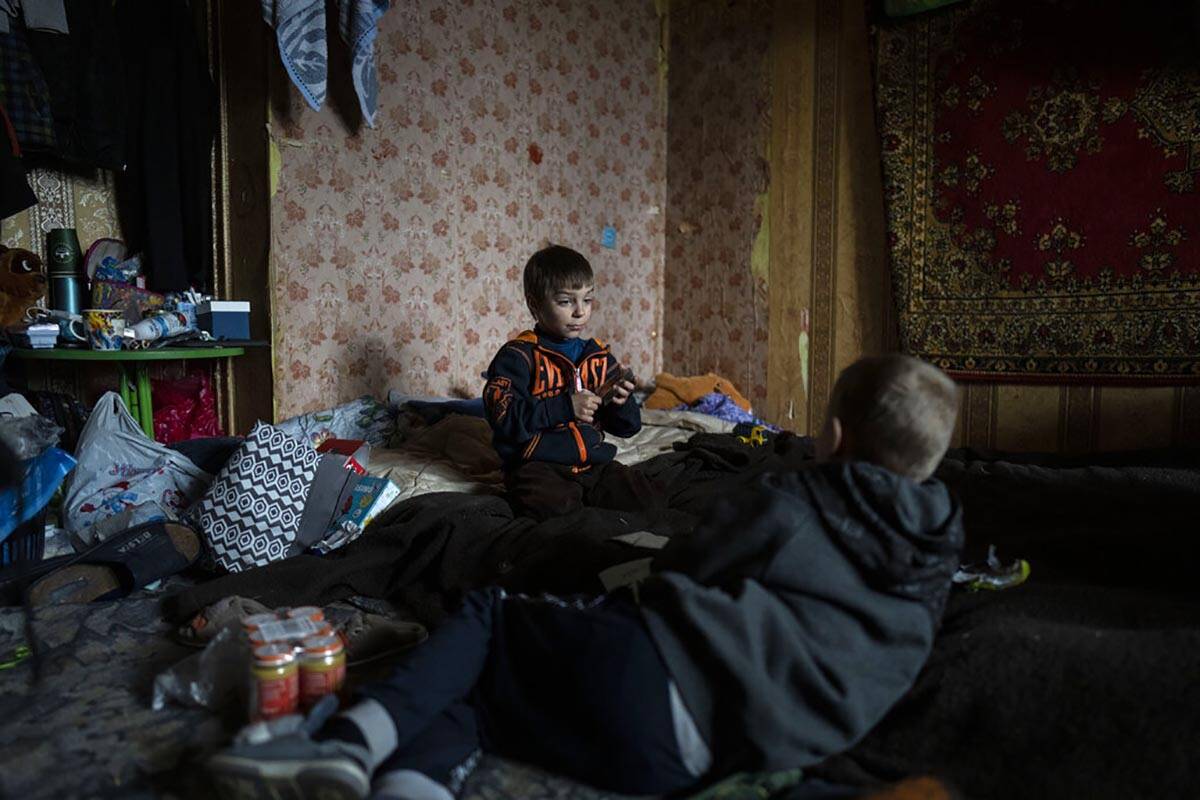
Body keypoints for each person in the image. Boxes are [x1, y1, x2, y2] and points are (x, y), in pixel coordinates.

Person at [207, 354, 965, 800]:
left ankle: (345, 742)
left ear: (831, 437)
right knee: (490, 691)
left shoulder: (800, 501)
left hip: (661, 686)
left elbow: (693, 561)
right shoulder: (931, 564)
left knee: (490, 620)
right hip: (692, 766)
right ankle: (410, 788)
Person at [481, 244, 656, 521]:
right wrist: (565, 407)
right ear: (534, 304)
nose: (580, 312)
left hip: (592, 464)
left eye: (587, 300)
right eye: (565, 301)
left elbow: (629, 429)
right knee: (553, 508)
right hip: (537, 465)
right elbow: (504, 420)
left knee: (644, 498)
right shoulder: (517, 357)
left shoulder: (598, 355)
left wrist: (621, 403)